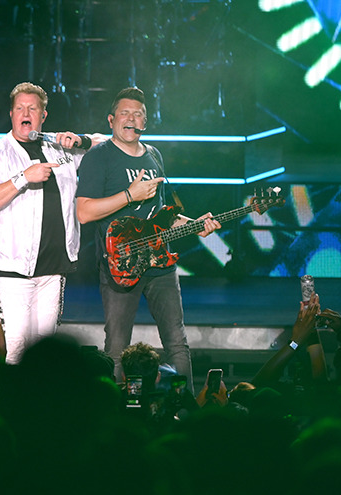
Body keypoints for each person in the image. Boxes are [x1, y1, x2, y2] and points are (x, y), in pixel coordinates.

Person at [75, 86, 221, 388]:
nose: (131, 119)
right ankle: (113, 413)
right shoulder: (98, 157)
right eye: (125, 113)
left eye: (138, 114)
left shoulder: (154, 155)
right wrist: (130, 194)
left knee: (177, 342)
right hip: (121, 265)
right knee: (116, 348)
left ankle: (184, 408)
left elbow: (162, 216)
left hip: (160, 263)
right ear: (111, 120)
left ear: (146, 122)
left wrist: (195, 224)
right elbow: (84, 213)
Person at [0, 81, 104, 363]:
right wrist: (24, 178)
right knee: (16, 351)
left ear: (43, 116)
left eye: (32, 108)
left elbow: (108, 144)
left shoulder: (59, 147)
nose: (26, 112)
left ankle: (43, 407)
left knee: (46, 355)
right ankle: (12, 407)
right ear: (11, 114)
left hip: (54, 268)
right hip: (14, 271)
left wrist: (79, 140)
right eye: (20, 107)